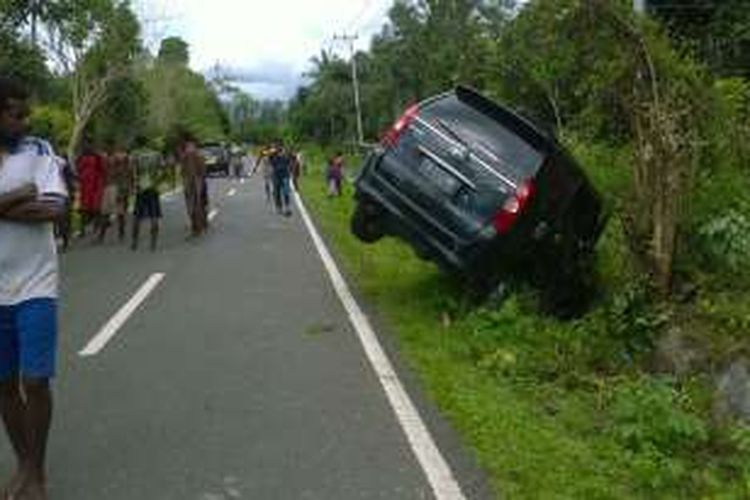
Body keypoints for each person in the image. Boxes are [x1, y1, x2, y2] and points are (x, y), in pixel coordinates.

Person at [0, 77, 68, 500]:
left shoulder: (39, 150)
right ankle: (24, 464)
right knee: (4, 385)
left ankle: (37, 472)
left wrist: (15, 200)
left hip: (36, 282)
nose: (25, 121)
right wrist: (21, 195)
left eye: (26, 113)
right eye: (15, 112)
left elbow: (55, 209)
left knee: (36, 380)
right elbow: (35, 204)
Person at [130, 147, 163, 251]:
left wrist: (135, 185)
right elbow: (163, 169)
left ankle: (134, 243)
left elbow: (132, 172)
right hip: (153, 188)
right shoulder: (156, 154)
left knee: (137, 217)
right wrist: (157, 181)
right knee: (154, 216)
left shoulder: (135, 154)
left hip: (141, 188)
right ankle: (153, 243)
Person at [178, 132, 207, 237]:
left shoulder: (186, 155)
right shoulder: (198, 154)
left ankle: (196, 227)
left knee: (193, 205)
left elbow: (182, 171)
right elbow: (203, 171)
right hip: (196, 182)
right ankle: (197, 226)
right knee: (197, 204)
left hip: (192, 182)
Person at [75, 142, 105, 237]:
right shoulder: (81, 157)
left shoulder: (97, 157)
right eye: (86, 145)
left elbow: (102, 170)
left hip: (95, 186)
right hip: (84, 187)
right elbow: (77, 168)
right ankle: (82, 230)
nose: (87, 147)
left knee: (96, 209)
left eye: (89, 145)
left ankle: (96, 228)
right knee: (83, 210)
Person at [109, 146, 132, 242]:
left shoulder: (116, 170)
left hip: (120, 189)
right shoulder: (125, 169)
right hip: (123, 188)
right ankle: (121, 230)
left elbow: (112, 177)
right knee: (122, 209)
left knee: (121, 209)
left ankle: (121, 230)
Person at [269, 144, 293, 216]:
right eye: (280, 152)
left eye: (282, 151)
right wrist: (272, 151)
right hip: (276, 177)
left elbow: (291, 158)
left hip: (285, 176)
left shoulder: (286, 157)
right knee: (277, 193)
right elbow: (268, 156)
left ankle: (287, 207)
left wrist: (288, 152)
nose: (281, 153)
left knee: (286, 192)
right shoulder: (273, 157)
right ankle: (279, 207)